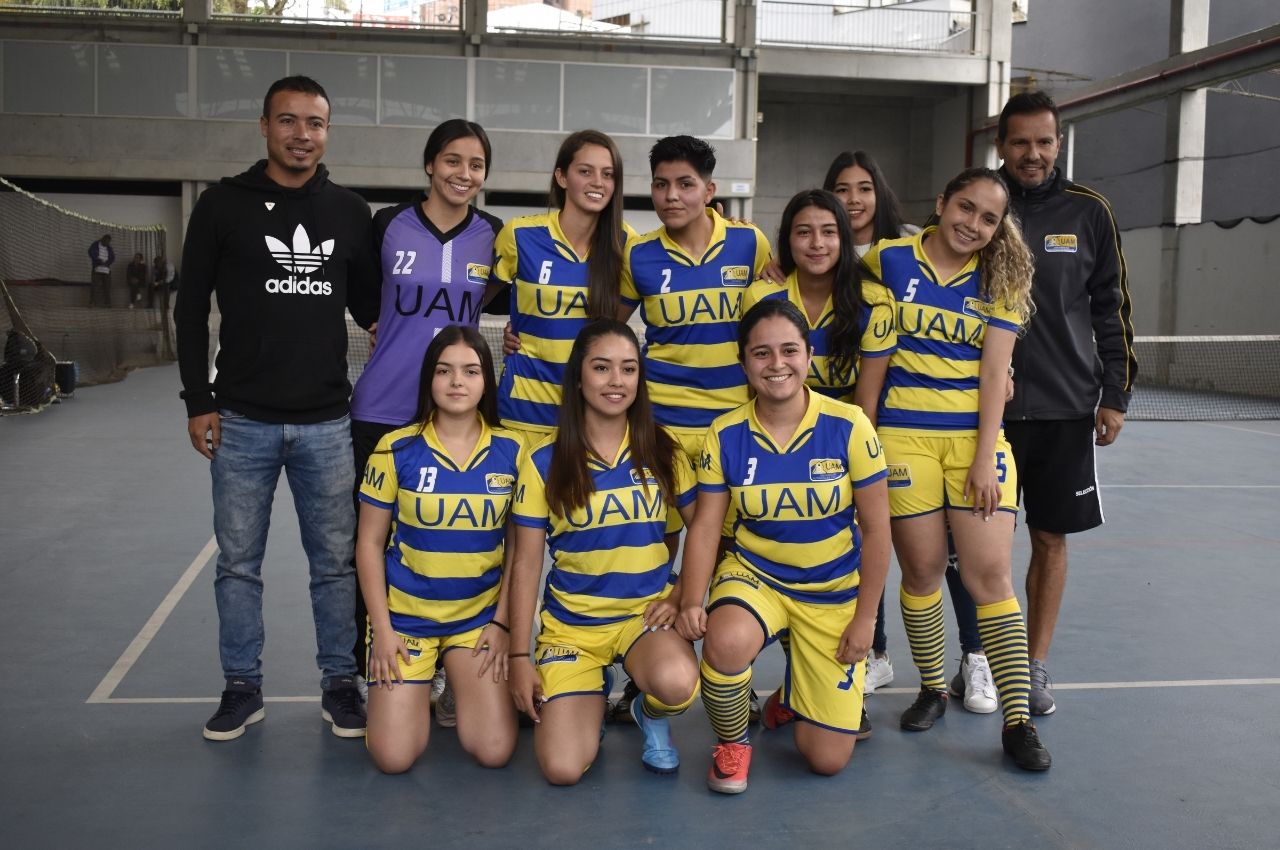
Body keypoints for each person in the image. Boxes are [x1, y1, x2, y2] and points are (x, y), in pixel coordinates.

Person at [176, 75, 378, 742]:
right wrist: (197, 401)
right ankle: (242, 687)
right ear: (264, 126)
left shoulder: (350, 212)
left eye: (315, 123)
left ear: (327, 131)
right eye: (288, 121)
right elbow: (188, 307)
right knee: (238, 564)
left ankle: (339, 686)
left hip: (327, 422)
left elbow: (380, 312)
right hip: (241, 421)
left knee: (335, 566)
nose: (302, 134)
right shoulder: (221, 206)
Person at [862, 166, 1051, 771]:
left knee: (989, 576)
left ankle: (1017, 722)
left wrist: (984, 459)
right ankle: (931, 688)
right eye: (965, 208)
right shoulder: (889, 260)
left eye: (989, 218)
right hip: (902, 443)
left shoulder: (1002, 277)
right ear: (941, 202)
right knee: (918, 573)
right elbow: (830, 280)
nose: (973, 224)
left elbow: (997, 374)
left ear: (1000, 228)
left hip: (974, 443)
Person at [676, 298, 891, 794]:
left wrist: (865, 619)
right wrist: (691, 600)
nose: (777, 364)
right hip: (757, 576)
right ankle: (732, 743)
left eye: (789, 350)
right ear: (743, 363)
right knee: (725, 642)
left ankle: (793, 695)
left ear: (809, 356)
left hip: (831, 589)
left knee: (827, 760)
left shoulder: (850, 425)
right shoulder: (725, 433)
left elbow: (878, 530)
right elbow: (707, 527)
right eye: (762, 353)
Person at [824, 151, 994, 711]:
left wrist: (1005, 371)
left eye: (864, 188)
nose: (853, 200)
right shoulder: (836, 254)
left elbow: (987, 332)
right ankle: (875, 654)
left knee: (951, 555)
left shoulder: (901, 251)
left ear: (881, 195)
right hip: (856, 415)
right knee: (875, 547)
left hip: (935, 424)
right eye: (842, 189)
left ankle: (974, 657)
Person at [349, 119, 502, 707]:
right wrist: (373, 320)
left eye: (476, 165)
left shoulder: (493, 235)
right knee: (372, 545)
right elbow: (356, 284)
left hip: (459, 414)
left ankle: (444, 671)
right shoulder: (388, 224)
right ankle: (373, 667)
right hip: (383, 410)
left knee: (455, 544)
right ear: (430, 165)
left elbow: (507, 296)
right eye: (453, 161)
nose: (464, 173)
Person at [508, 319, 699, 784]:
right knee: (561, 769)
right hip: (572, 629)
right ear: (579, 377)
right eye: (602, 367)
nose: (617, 380)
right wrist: (519, 658)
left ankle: (646, 709)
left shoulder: (663, 450)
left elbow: (705, 530)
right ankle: (590, 689)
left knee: (677, 685)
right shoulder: (542, 461)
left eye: (628, 369)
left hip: (643, 618)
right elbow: (527, 563)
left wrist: (680, 596)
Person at [995, 91, 1137, 716]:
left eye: (1043, 141)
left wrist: (1115, 393)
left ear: (1058, 143)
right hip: (984, 414)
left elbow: (1110, 308)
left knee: (1050, 540)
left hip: (1065, 410)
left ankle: (1034, 666)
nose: (1032, 153)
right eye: (1020, 142)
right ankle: (982, 663)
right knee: (982, 550)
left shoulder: (1089, 212)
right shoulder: (979, 204)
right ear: (1001, 145)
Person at [739, 189, 893, 733]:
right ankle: (782, 684)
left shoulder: (872, 299)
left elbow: (867, 400)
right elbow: (753, 371)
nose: (817, 242)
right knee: (775, 558)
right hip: (771, 439)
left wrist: (849, 474)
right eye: (803, 232)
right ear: (787, 240)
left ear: (846, 238)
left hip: (839, 446)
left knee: (837, 566)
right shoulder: (763, 291)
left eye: (828, 231)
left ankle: (836, 682)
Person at [356, 326, 520, 773]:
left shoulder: (513, 451)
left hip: (476, 622)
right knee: (394, 758)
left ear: (487, 379)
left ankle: (456, 689)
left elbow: (521, 553)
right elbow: (368, 545)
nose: (456, 381)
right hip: (407, 621)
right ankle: (415, 690)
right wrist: (382, 631)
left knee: (494, 750)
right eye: (444, 370)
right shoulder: (396, 449)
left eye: (470, 371)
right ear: (429, 379)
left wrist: (503, 623)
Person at [491, 130, 631, 448]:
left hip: (588, 414)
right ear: (562, 177)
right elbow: (471, 303)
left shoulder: (626, 243)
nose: (598, 182)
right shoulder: (520, 235)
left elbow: (615, 328)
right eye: (585, 171)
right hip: (521, 409)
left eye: (608, 174)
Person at [88, 234, 114, 307]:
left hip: (106, 270)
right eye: (105, 241)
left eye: (108, 242)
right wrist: (99, 261)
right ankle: (92, 302)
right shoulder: (95, 245)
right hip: (97, 269)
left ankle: (107, 303)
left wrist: (107, 263)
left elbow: (112, 257)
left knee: (107, 287)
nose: (106, 243)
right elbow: (90, 252)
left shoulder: (109, 248)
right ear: (102, 239)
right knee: (95, 286)